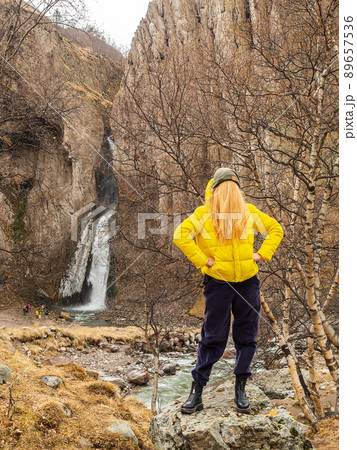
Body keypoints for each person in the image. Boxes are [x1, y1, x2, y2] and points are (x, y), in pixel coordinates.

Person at [173, 168, 284, 414]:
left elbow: (276, 230)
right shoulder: (204, 215)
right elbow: (180, 236)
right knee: (213, 337)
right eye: (227, 188)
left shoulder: (249, 213)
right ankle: (197, 390)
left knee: (247, 336)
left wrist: (260, 254)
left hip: (248, 282)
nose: (231, 192)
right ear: (217, 190)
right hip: (218, 283)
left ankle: (240, 386)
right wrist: (203, 261)